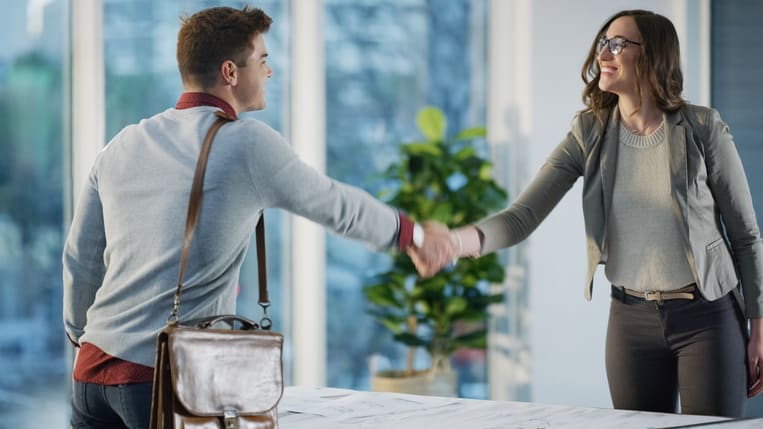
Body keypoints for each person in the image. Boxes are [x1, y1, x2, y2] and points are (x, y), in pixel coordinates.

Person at [63, 6, 433, 429]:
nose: (270, 72)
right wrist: (413, 234)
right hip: (161, 380)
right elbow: (335, 205)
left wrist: (81, 334)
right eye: (262, 60)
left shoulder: (123, 144)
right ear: (230, 72)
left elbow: (81, 260)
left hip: (89, 377)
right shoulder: (246, 143)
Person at [410, 9, 763, 417]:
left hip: (707, 317)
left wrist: (758, 327)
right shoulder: (590, 131)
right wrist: (455, 242)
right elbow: (522, 215)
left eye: (618, 44)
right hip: (630, 322)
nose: (604, 55)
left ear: (653, 55)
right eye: (603, 44)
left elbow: (746, 235)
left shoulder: (703, 128)